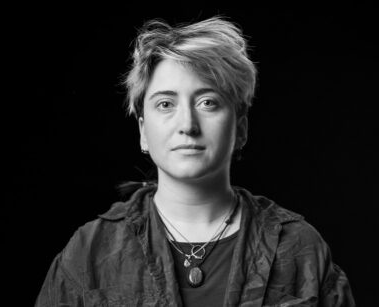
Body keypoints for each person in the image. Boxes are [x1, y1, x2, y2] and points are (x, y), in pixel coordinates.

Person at [35, 16, 355, 307]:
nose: (187, 124)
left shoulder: (299, 247)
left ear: (240, 128)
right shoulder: (91, 251)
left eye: (207, 102)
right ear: (143, 132)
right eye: (165, 104)